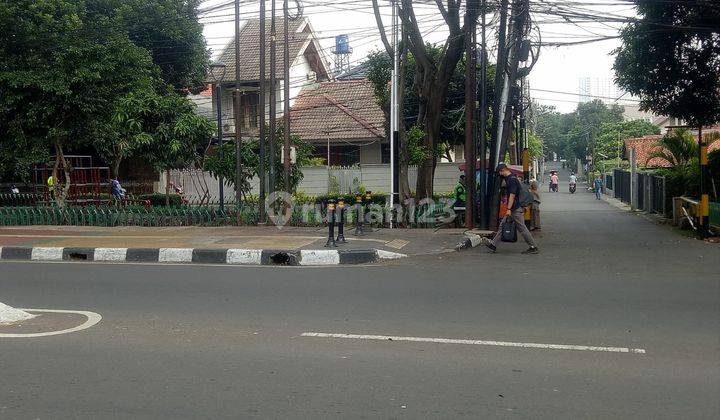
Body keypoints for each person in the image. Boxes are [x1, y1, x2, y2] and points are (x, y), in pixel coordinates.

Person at [485, 164, 539, 254]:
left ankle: (533, 246)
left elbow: (512, 195)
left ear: (503, 170)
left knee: (522, 228)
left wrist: (509, 208)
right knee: (503, 226)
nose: (500, 175)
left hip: (515, 208)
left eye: (500, 173)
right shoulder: (512, 178)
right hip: (514, 207)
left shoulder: (511, 180)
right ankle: (493, 245)